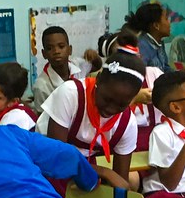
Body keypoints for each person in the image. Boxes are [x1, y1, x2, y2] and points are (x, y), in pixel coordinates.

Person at [37, 48, 147, 189]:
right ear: (98, 79)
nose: (111, 109)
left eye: (121, 105)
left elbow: (120, 181)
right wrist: (105, 173)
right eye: (106, 99)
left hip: (86, 166)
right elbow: (57, 158)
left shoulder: (127, 123)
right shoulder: (70, 94)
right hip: (46, 163)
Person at [30, 26, 82, 114]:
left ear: (70, 50)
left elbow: (95, 64)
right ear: (44, 54)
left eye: (61, 46)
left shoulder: (78, 68)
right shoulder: (41, 87)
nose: (56, 51)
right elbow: (42, 119)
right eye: (49, 48)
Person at [126, 2, 172, 72]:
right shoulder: (141, 47)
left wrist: (180, 75)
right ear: (156, 25)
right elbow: (140, 74)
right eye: (166, 19)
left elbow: (165, 68)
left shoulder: (160, 42)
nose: (169, 23)